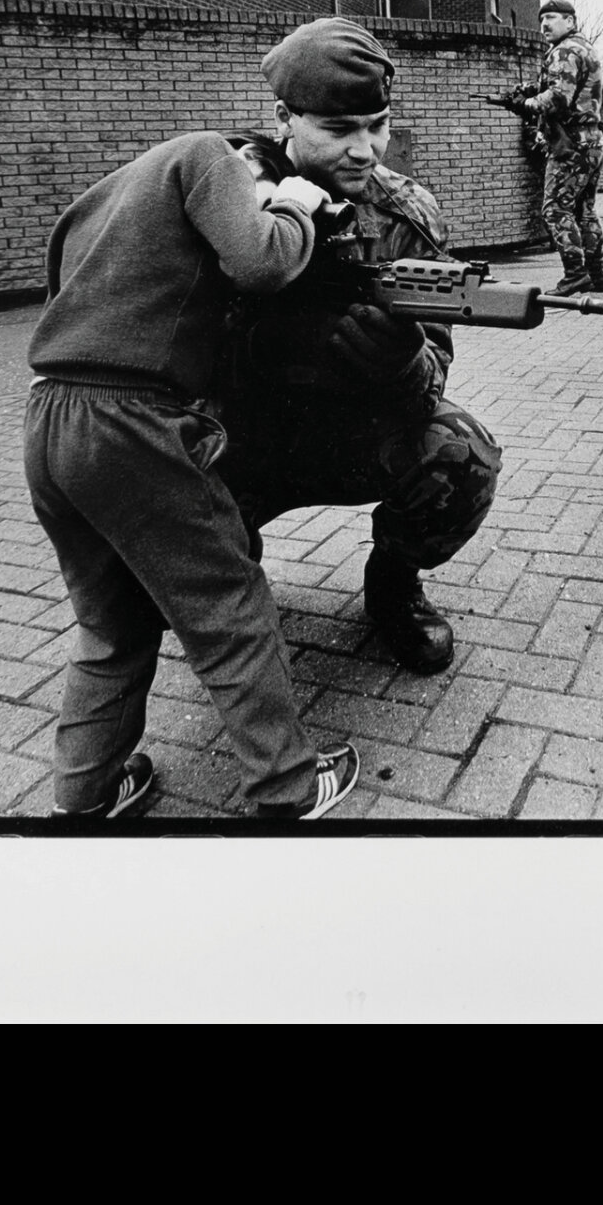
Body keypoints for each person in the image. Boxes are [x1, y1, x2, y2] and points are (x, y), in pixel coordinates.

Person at [22, 40, 364, 819]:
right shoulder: (208, 155)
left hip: (49, 419)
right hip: (132, 426)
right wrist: (295, 206)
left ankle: (84, 801)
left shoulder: (105, 194)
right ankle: (286, 786)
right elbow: (263, 262)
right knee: (229, 606)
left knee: (113, 625)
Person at [213, 19, 504, 675]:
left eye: (377, 125)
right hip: (241, 441)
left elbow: (435, 364)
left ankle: (394, 585)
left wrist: (399, 364)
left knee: (462, 454)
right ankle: (228, 595)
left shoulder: (404, 214)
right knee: (159, 476)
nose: (365, 149)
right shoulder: (230, 195)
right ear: (285, 117)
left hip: (348, 437)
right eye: (339, 130)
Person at [494, 0, 603, 295]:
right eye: (542, 19)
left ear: (570, 21)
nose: (545, 24)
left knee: (556, 209)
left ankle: (575, 274)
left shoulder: (563, 50)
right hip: (593, 140)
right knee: (585, 211)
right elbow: (568, 84)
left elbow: (559, 97)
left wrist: (526, 104)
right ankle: (596, 275)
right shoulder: (585, 48)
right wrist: (529, 89)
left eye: (552, 18)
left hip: (570, 143)